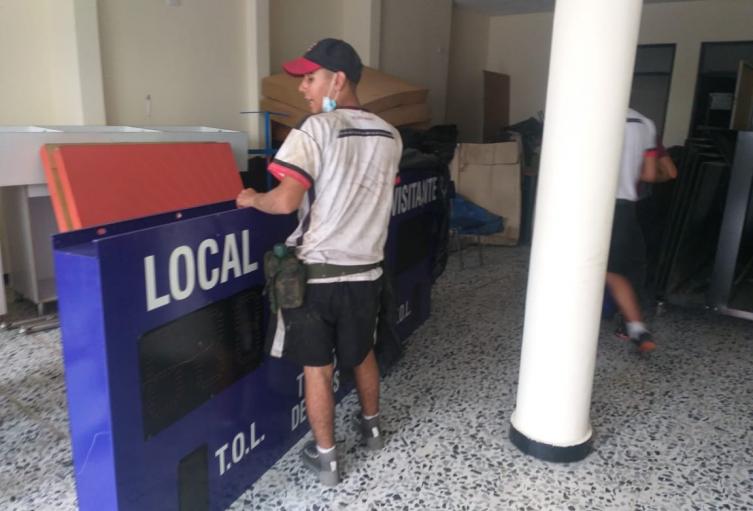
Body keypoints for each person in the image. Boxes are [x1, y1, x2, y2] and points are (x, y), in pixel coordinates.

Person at [236, 38, 402, 486]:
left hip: (318, 277)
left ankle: (326, 458)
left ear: (338, 79)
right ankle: (371, 428)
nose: (303, 89)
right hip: (367, 272)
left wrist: (252, 198)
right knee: (362, 351)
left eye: (310, 78)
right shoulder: (392, 135)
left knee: (319, 368)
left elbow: (285, 201)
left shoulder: (315, 129)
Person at [607, 108, 677, 353]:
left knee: (605, 270)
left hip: (593, 208)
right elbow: (648, 174)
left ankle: (634, 325)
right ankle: (632, 325)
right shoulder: (645, 122)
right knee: (631, 265)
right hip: (626, 207)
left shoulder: (591, 116)